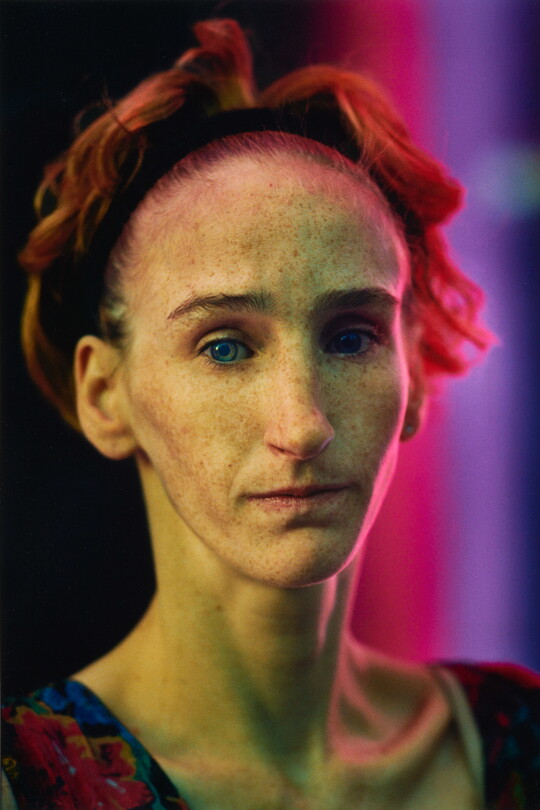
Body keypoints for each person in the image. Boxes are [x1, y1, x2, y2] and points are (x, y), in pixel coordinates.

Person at [2, 18, 539, 810]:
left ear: (415, 371)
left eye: (352, 336)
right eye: (223, 346)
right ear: (104, 394)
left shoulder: (515, 741)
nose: (304, 424)